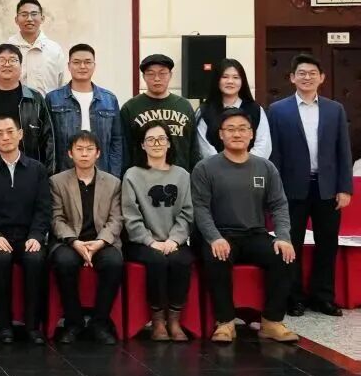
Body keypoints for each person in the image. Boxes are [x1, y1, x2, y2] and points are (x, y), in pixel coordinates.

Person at [193, 109, 299, 343]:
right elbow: (200, 208)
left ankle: (271, 321)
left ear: (251, 134)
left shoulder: (266, 167)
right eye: (230, 129)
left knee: (284, 257)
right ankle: (225, 322)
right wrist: (214, 237)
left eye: (243, 129)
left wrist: (283, 237)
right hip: (221, 234)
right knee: (217, 258)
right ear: (220, 134)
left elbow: (279, 205)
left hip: (254, 234)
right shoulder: (205, 167)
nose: (237, 134)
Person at [269, 53, 353, 318]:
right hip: (291, 188)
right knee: (290, 243)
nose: (307, 77)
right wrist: (275, 190)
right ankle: (294, 298)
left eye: (312, 73)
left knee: (327, 244)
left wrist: (345, 187)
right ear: (292, 78)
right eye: (302, 73)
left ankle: (323, 297)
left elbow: (343, 150)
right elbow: (275, 153)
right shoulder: (278, 110)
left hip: (327, 187)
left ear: (322, 78)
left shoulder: (334, 109)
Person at [0, 115, 51, 344]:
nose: (5, 137)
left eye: (10, 132)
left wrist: (36, 236)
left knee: (36, 259)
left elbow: (43, 208)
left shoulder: (37, 169)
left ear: (20, 134)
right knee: (1, 259)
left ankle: (32, 327)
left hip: (28, 236)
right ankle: (4, 326)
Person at [122, 121, 195, 342]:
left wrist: (175, 240)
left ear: (169, 143)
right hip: (141, 242)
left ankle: (174, 319)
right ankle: (158, 320)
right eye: (150, 139)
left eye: (161, 139)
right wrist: (150, 241)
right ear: (142, 145)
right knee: (157, 261)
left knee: (181, 261)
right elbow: (130, 214)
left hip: (173, 240)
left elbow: (187, 212)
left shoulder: (182, 175)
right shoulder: (132, 175)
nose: (156, 143)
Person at [49, 131, 123, 345]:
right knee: (64, 262)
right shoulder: (57, 182)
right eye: (79, 149)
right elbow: (56, 219)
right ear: (70, 153)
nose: (84, 154)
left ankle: (100, 323)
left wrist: (100, 242)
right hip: (70, 241)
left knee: (114, 262)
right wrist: (75, 242)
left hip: (102, 240)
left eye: (89, 149)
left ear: (98, 153)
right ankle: (73, 323)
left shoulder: (113, 183)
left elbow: (116, 219)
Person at [0, 44, 56, 172]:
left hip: (28, 174)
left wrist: (47, 175)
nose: (7, 64)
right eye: (1, 60)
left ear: (21, 67)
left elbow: (48, 140)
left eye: (13, 60)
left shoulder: (35, 99)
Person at [46, 44, 123, 175]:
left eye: (87, 62)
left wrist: (114, 175)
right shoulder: (53, 99)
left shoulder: (109, 99)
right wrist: (51, 173)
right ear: (69, 66)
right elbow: (49, 141)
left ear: (94, 65)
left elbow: (116, 140)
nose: (82, 66)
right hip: (64, 173)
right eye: (76, 62)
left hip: (101, 172)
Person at [121, 54, 199, 172]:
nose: (157, 78)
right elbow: (124, 150)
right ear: (143, 77)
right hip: (142, 176)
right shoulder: (131, 108)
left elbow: (194, 147)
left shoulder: (184, 106)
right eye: (151, 74)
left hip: (179, 176)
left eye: (162, 73)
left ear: (170, 75)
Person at [196, 59, 271, 159]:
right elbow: (203, 147)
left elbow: (263, 145)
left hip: (251, 167)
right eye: (225, 77)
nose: (230, 81)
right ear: (217, 80)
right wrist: (221, 165)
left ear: (242, 81)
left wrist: (246, 164)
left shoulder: (255, 110)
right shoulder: (205, 111)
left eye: (236, 77)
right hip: (214, 167)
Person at [7, 0, 66, 94]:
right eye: (24, 15)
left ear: (42, 19)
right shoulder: (8, 48)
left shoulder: (54, 49)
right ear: (16, 20)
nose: (29, 19)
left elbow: (61, 85)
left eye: (34, 14)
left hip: (47, 103)